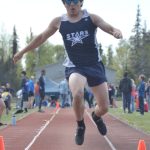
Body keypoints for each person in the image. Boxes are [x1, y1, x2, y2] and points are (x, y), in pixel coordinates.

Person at [13, 0, 122, 145]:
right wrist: (22, 52)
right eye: (68, 1)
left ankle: (96, 116)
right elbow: (41, 37)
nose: (72, 4)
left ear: (81, 2)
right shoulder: (59, 22)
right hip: (75, 66)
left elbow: (107, 26)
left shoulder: (91, 18)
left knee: (104, 107)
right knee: (77, 94)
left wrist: (115, 31)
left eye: (75, 1)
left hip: (94, 65)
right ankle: (80, 125)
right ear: (64, 3)